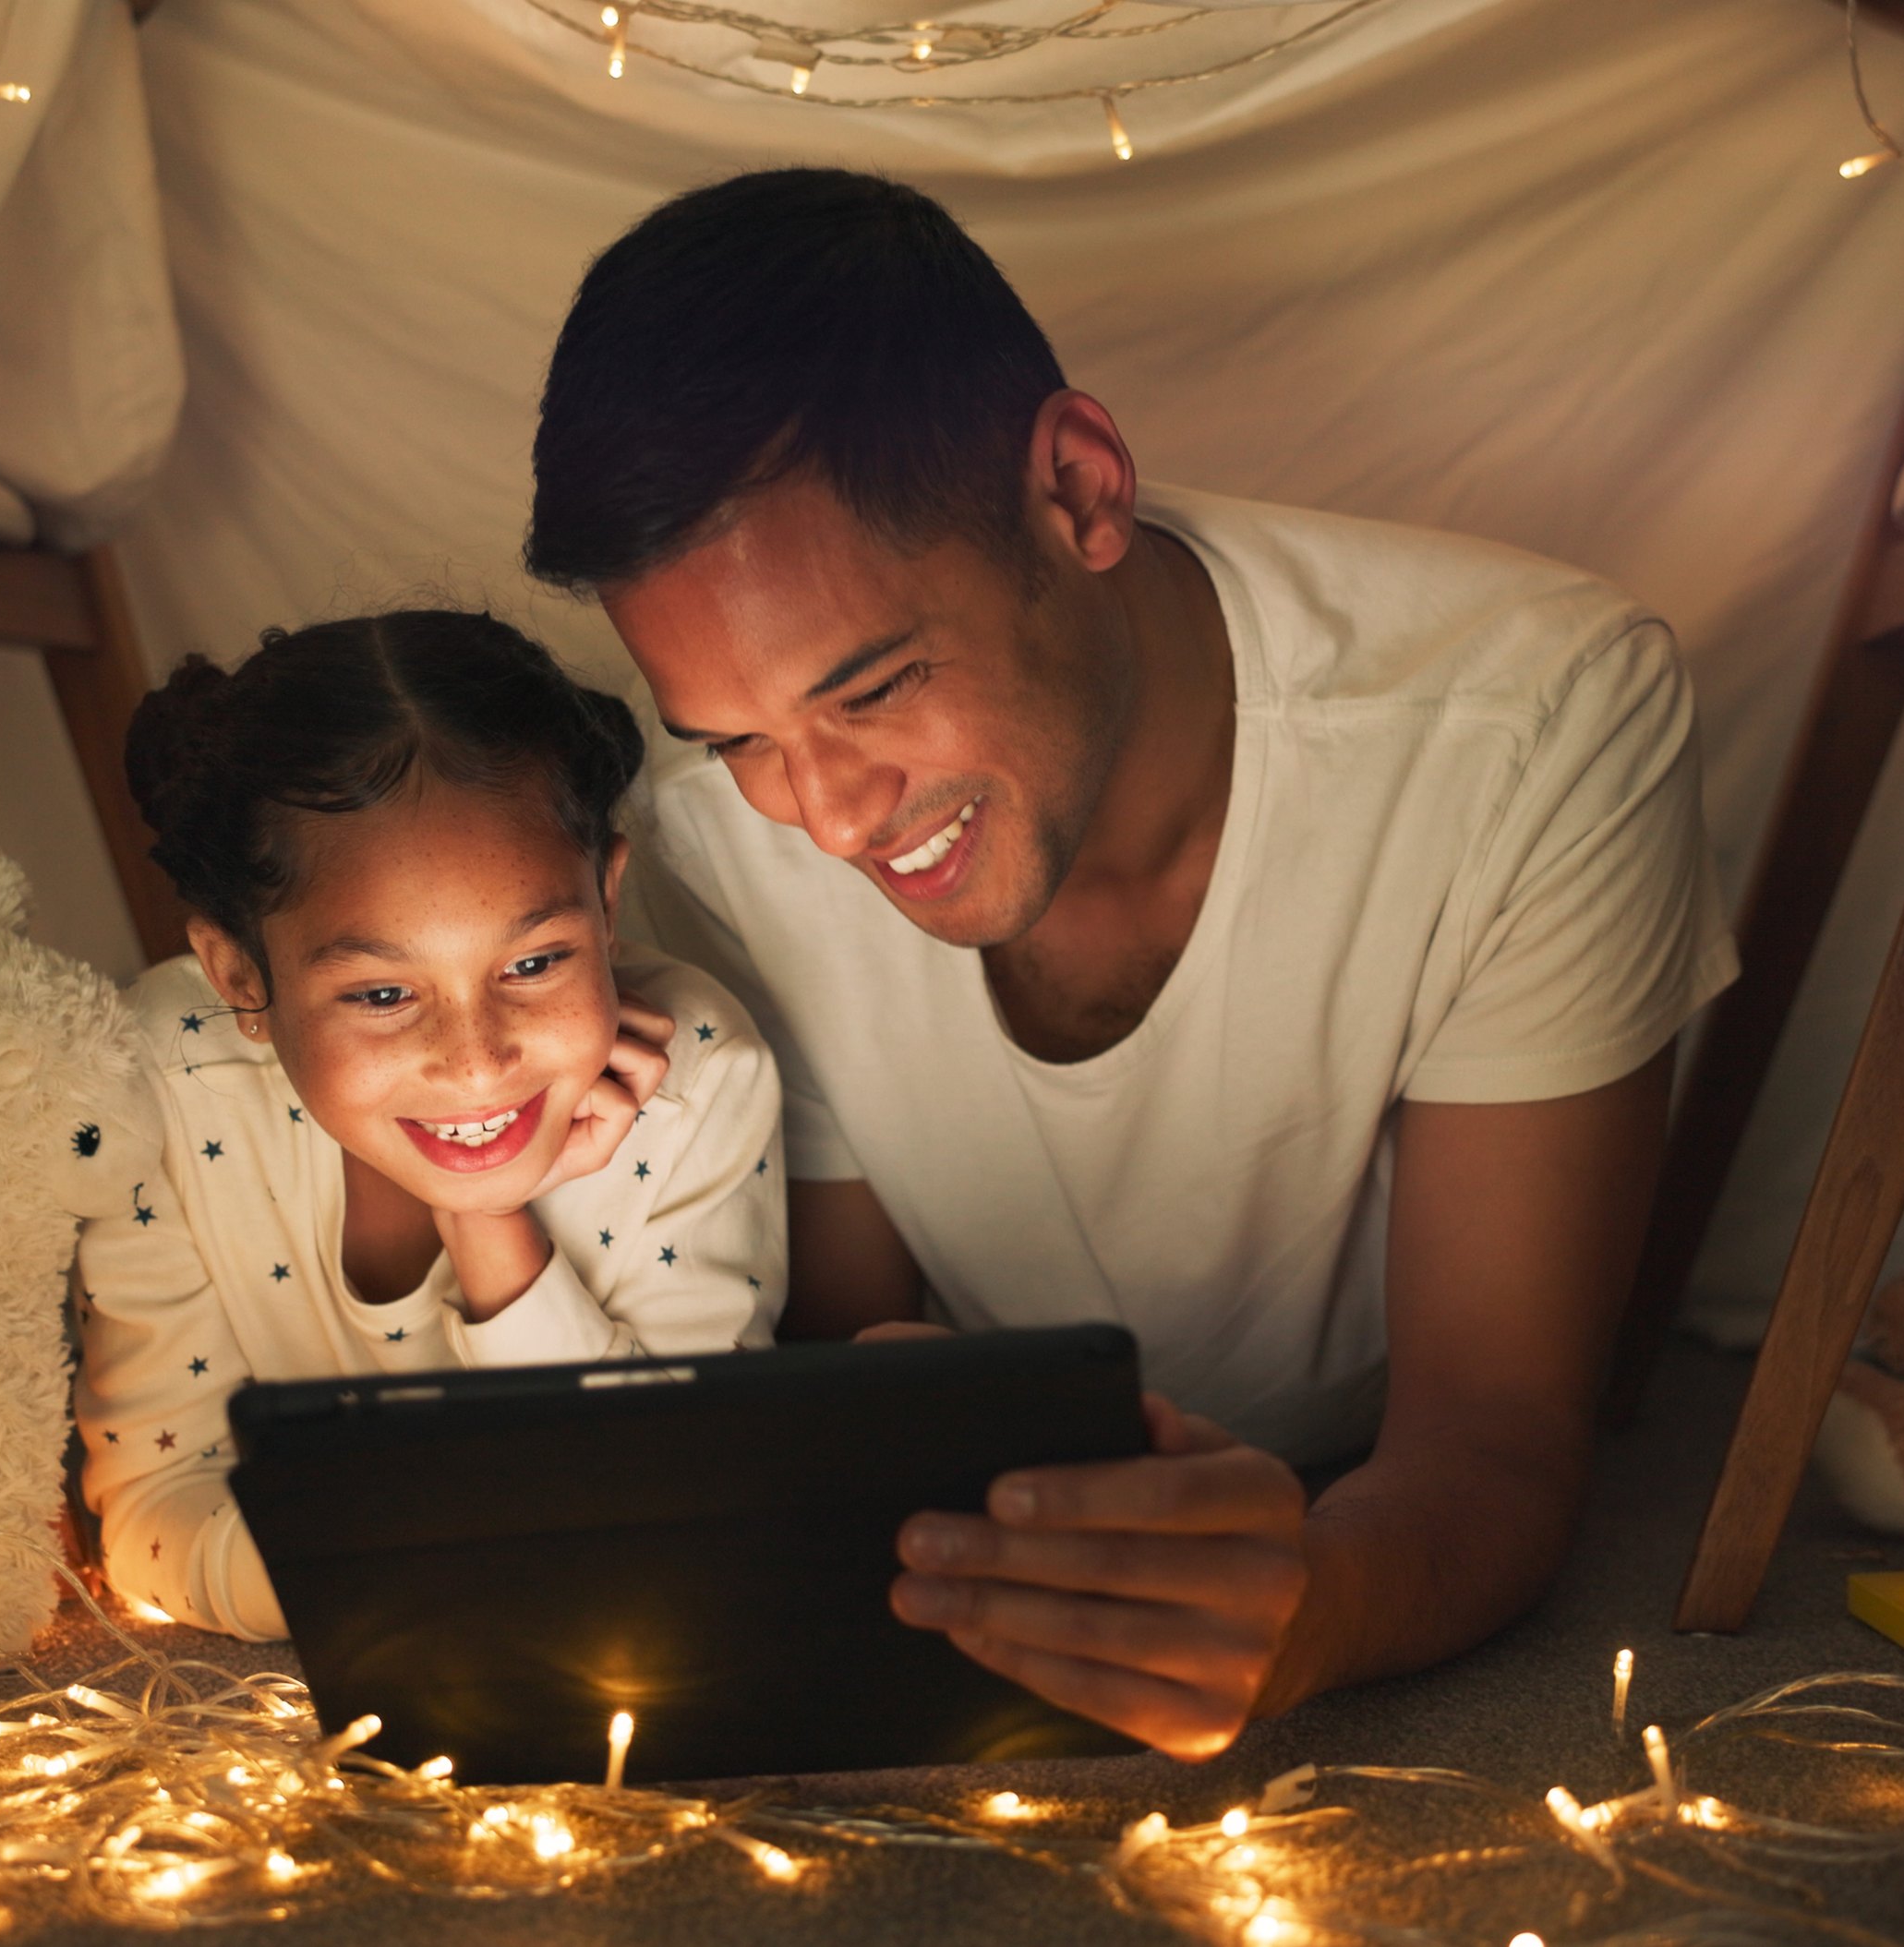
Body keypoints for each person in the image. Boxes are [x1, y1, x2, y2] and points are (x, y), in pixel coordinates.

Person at [527, 169, 1738, 1760]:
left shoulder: (1533, 718)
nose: (823, 814)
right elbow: (839, 1336)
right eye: (742, 737)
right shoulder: (713, 837)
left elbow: (1501, 1436)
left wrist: (1316, 1601)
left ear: (1081, 488)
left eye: (877, 686)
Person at [74, 610, 784, 1638]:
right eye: (380, 995)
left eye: (535, 964)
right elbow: (153, 1509)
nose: (476, 1059)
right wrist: (442, 1584)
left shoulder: (699, 1080)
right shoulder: (163, 1081)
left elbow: (673, 1510)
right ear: (239, 976)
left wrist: (489, 1220)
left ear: (607, 901)